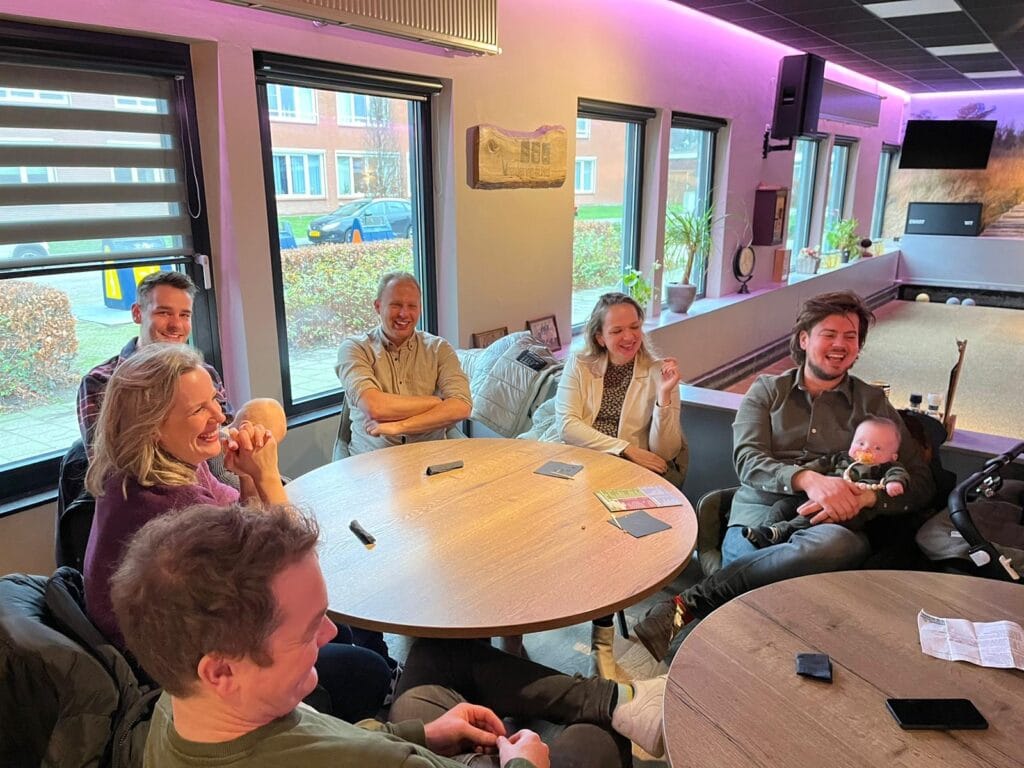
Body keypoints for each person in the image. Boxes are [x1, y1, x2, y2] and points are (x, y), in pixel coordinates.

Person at [110, 502, 672, 765]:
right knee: (591, 742)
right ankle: (611, 711)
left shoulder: (177, 705)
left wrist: (420, 733)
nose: (332, 633)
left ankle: (616, 699)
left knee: (438, 656)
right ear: (222, 670)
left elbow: (321, 736)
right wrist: (526, 762)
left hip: (407, 743)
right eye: (306, 631)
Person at [83, 343, 389, 722]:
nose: (220, 415)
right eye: (199, 409)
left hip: (194, 627)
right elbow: (297, 569)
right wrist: (267, 475)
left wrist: (246, 477)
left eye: (214, 399)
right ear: (152, 426)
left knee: (337, 628)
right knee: (366, 669)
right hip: (181, 674)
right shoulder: (171, 507)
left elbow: (246, 528)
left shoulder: (155, 465)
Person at [632, 290, 935, 661]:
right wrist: (809, 480)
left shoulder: (873, 403)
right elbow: (747, 459)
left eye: (850, 336)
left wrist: (869, 497)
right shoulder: (766, 391)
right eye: (829, 334)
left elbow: (921, 482)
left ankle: (686, 608)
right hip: (759, 515)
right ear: (804, 339)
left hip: (828, 526)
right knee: (753, 589)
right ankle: (714, 666)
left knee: (839, 547)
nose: (840, 344)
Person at [533, 292, 686, 678]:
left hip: (624, 475)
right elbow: (568, 426)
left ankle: (601, 644)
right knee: (532, 521)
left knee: (609, 543)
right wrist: (625, 449)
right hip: (577, 461)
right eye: (617, 330)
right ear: (600, 336)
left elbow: (666, 450)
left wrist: (665, 398)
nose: (628, 336)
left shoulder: (657, 371)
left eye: (635, 327)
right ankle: (521, 624)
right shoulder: (580, 364)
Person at [77, 270, 232, 449]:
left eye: (184, 315)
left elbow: (226, 427)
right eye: (164, 313)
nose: (176, 325)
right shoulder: (100, 382)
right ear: (137, 313)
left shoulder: (204, 373)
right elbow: (106, 457)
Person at [335, 271, 471, 457]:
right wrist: (436, 402)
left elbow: (462, 405)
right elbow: (375, 407)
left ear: (420, 309)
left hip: (430, 457)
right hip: (373, 460)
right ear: (378, 306)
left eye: (412, 306)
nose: (404, 314)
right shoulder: (354, 349)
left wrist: (400, 426)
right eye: (396, 305)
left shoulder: (439, 349)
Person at [741, 416, 910, 548]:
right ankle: (766, 530)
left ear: (892, 456)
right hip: (814, 495)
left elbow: (897, 473)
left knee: (813, 516)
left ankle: (783, 530)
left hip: (848, 512)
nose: (865, 449)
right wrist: (802, 471)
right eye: (860, 443)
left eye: (877, 448)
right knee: (783, 505)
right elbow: (820, 465)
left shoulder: (885, 466)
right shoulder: (841, 458)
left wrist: (894, 483)